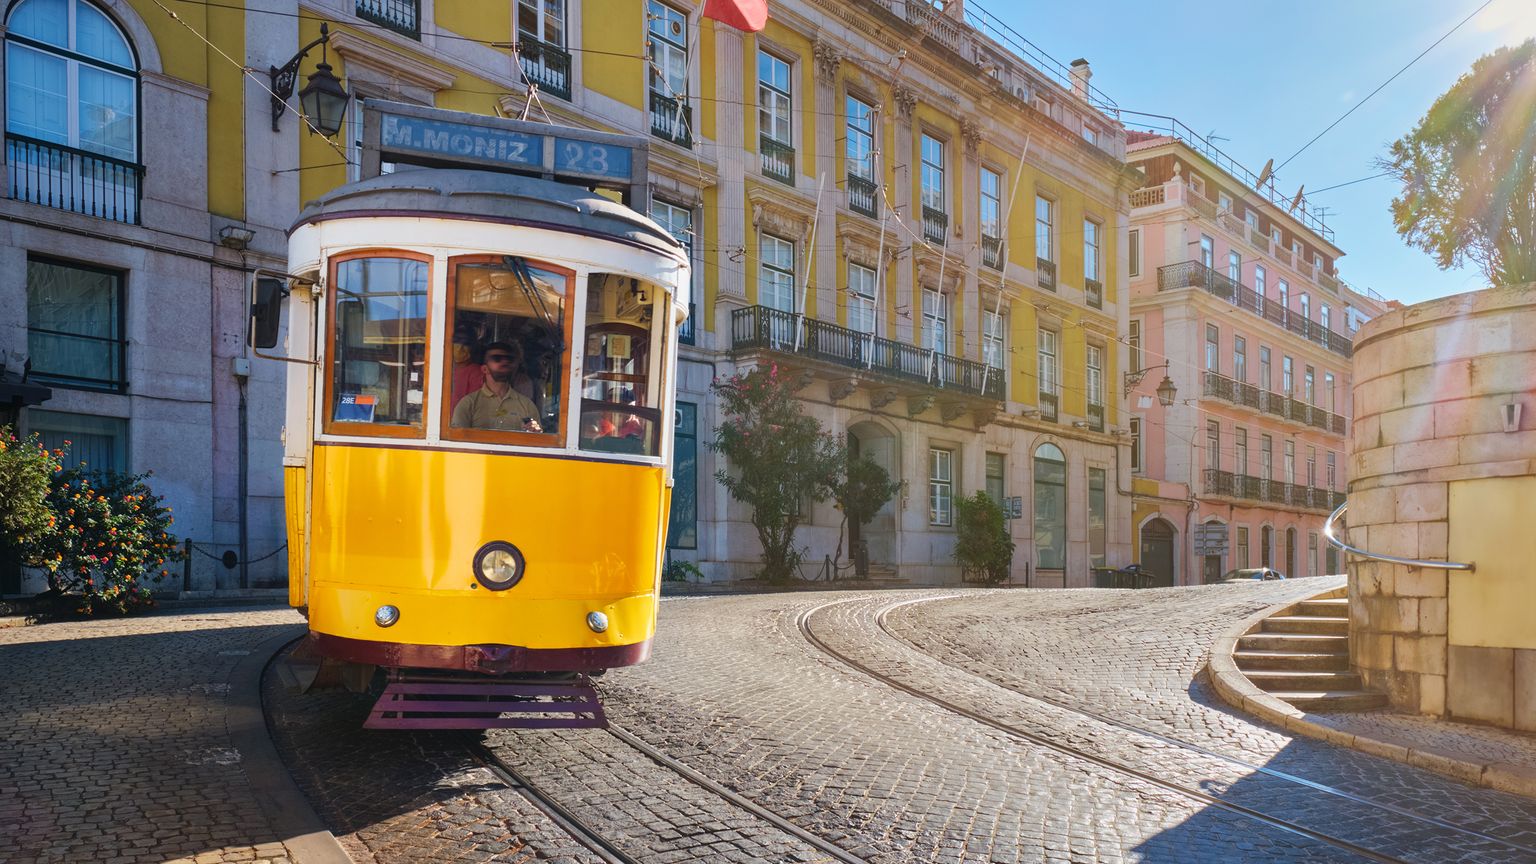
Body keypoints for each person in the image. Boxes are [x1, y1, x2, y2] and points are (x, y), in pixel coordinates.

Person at [450, 341, 543, 433]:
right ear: (484, 369)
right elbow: (456, 442)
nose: (505, 362)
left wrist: (534, 431)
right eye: (497, 358)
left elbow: (538, 440)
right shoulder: (468, 404)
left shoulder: (527, 406)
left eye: (509, 359)